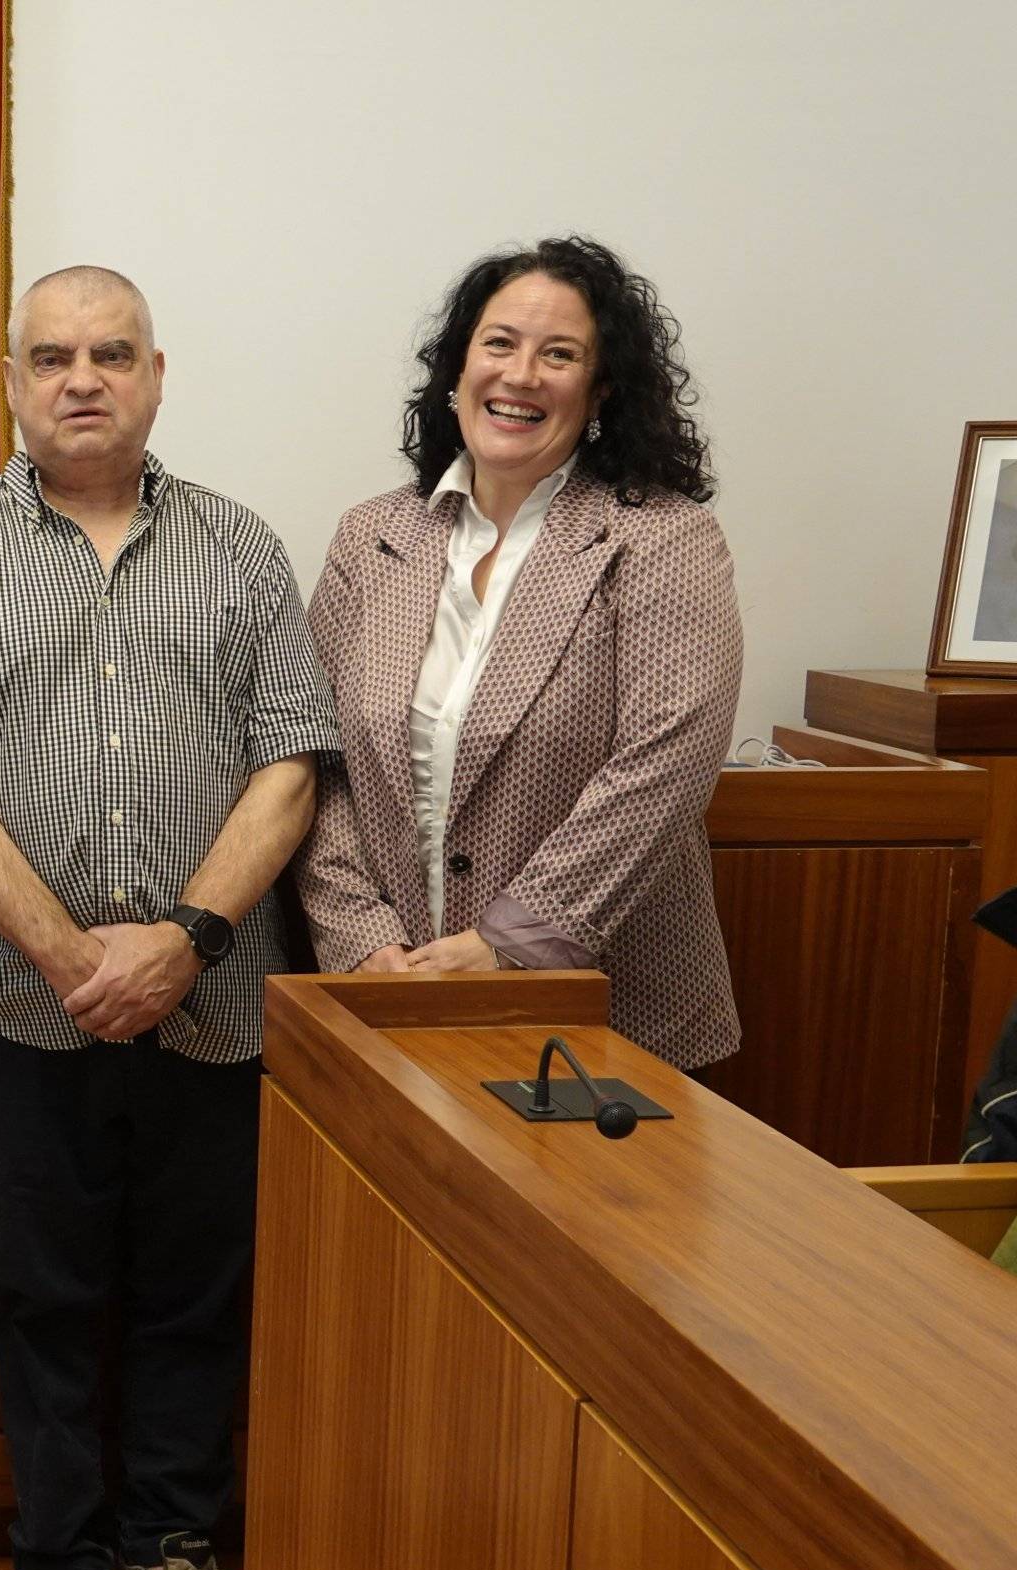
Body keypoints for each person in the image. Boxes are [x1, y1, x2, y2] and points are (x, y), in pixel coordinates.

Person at [0, 265, 339, 1570]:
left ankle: (176, 1547)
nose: (83, 378)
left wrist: (184, 940)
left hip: (217, 1000)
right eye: (52, 356)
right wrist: (77, 956)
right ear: (10, 380)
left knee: (200, 1291)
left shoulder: (245, 549)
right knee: (41, 1292)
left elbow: (292, 765)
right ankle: (57, 1561)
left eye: (112, 354)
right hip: (25, 1003)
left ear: (157, 374)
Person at [296, 236, 742, 1071]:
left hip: (608, 1024)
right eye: (499, 343)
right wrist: (362, 936)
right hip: (395, 1001)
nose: (521, 374)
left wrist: (514, 941)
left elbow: (667, 762)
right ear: (458, 368)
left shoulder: (662, 538)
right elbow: (319, 760)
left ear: (600, 389)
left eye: (560, 354)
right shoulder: (372, 537)